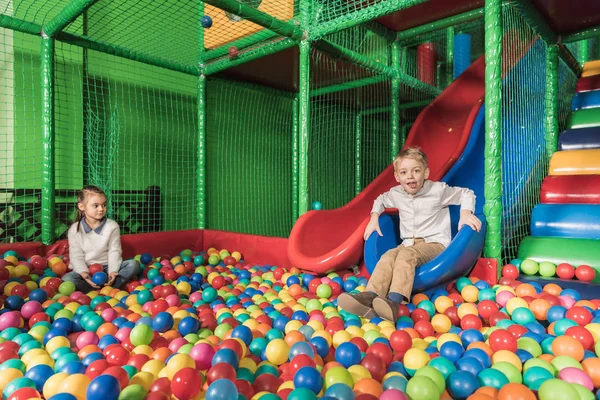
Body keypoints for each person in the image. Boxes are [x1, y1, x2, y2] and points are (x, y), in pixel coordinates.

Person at [338, 147, 482, 321]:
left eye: (416, 171)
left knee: (406, 254)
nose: (410, 176)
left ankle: (394, 301)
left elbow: (467, 194)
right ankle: (370, 295)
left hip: (434, 244)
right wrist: (374, 217)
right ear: (398, 177)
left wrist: (465, 213)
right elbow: (381, 200)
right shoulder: (396, 194)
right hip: (408, 243)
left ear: (426, 173)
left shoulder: (437, 191)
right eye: (404, 172)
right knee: (388, 256)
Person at [62, 185, 140, 293]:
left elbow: (114, 251)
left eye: (104, 205)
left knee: (133, 265)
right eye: (96, 205)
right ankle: (93, 291)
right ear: (82, 206)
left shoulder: (112, 226)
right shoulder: (75, 229)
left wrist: (112, 272)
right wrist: (84, 274)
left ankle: (109, 288)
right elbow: (76, 255)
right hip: (87, 269)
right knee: (68, 279)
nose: (101, 209)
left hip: (107, 267)